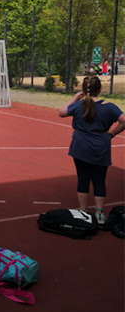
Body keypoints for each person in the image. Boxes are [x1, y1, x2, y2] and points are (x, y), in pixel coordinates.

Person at [59, 75, 125, 225]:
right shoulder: (109, 106)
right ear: (100, 90)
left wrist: (75, 98)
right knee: (99, 180)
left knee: (83, 178)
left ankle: (83, 212)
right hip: (101, 146)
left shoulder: (79, 105)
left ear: (83, 90)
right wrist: (114, 132)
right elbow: (124, 120)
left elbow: (61, 112)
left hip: (80, 146)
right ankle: (100, 213)